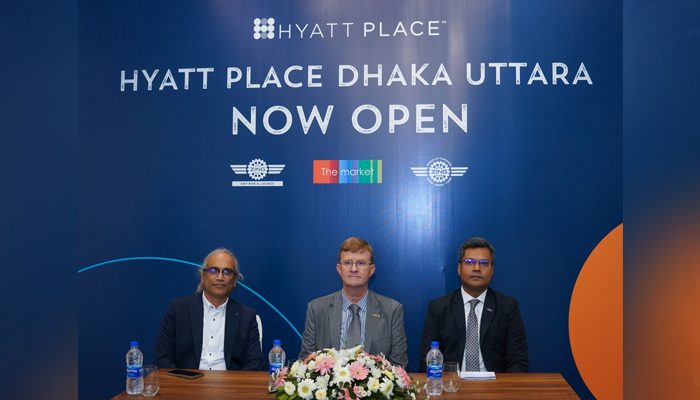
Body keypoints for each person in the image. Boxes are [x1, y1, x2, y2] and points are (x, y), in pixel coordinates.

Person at [419, 237, 528, 373]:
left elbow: (518, 361)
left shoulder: (508, 307)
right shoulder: (439, 308)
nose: (477, 268)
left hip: (495, 383)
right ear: (459, 268)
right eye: (470, 262)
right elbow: (427, 361)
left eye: (484, 263)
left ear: (492, 270)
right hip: (452, 383)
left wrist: (504, 386)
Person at [298, 237, 409, 368]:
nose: (354, 269)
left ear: (371, 270)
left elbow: (399, 367)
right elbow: (306, 364)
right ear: (339, 269)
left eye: (361, 263)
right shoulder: (317, 309)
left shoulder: (392, 310)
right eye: (348, 262)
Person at [153, 247, 264, 370]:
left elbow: (255, 363)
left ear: (234, 280)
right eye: (213, 270)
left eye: (227, 272)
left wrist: (235, 383)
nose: (220, 277)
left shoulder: (246, 316)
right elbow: (162, 357)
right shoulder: (178, 310)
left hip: (231, 381)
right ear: (202, 277)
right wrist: (181, 380)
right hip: (186, 380)